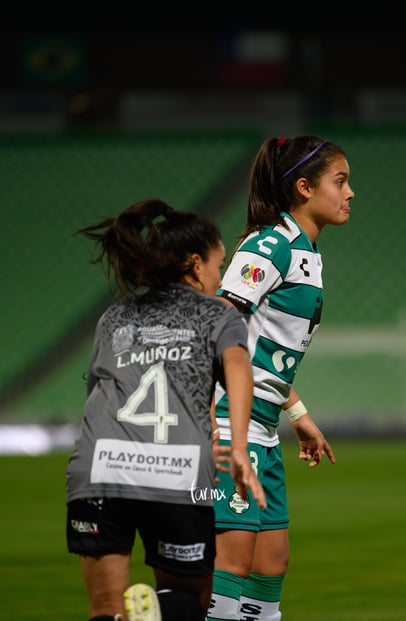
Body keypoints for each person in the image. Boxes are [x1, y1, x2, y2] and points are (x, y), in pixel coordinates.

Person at [65, 198, 266, 621]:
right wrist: (241, 445)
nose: (220, 275)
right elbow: (237, 367)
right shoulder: (217, 314)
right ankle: (160, 611)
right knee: (189, 598)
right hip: (178, 472)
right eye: (219, 263)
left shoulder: (114, 316)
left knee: (105, 608)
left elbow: (99, 393)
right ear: (196, 264)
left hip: (100, 467)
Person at [207, 135, 355, 621]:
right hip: (232, 424)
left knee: (272, 563)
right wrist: (210, 421)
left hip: (263, 430)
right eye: (341, 181)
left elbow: (258, 352)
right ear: (305, 188)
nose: (350, 192)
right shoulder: (270, 245)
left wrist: (297, 412)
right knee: (233, 564)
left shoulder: (305, 252)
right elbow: (215, 329)